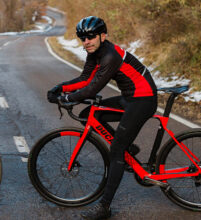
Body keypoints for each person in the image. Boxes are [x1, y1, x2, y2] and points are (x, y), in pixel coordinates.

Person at [47, 16, 157, 219]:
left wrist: (66, 98)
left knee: (116, 152)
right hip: (130, 97)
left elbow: (92, 89)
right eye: (82, 37)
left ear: (102, 36)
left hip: (143, 100)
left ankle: (104, 207)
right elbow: (85, 79)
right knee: (89, 113)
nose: (86, 41)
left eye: (90, 37)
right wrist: (61, 87)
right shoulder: (94, 53)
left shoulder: (110, 56)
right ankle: (128, 148)